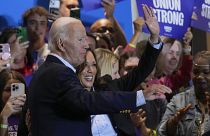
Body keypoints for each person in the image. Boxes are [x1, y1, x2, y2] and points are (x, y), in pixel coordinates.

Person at [26, 7, 161, 135]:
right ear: (61, 44)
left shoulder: (47, 71)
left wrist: (154, 38)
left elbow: (139, 72)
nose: (86, 45)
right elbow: (87, 101)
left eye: (94, 64)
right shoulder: (58, 73)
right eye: (80, 40)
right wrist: (140, 96)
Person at [157, 50, 210, 136]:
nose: (200, 76)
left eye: (206, 72)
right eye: (196, 72)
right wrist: (173, 122)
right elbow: (161, 132)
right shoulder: (179, 100)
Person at [0, 69, 26, 136]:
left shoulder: (29, 113)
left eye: (17, 89)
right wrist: (4, 117)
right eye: (8, 90)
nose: (12, 95)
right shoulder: (2, 116)